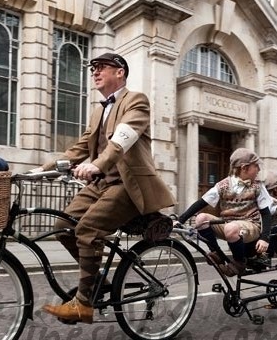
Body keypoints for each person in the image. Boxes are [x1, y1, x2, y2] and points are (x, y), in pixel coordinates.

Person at [32, 52, 175, 324]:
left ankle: (83, 303)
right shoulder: (99, 110)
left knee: (87, 230)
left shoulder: (136, 101)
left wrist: (97, 164)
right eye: (92, 69)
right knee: (63, 226)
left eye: (101, 67)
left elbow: (123, 139)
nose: (95, 72)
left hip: (128, 185)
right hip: (101, 184)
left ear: (119, 72)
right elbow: (80, 147)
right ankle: (99, 283)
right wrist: (43, 169)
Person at [176, 148, 272, 277]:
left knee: (231, 228)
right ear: (244, 168)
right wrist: (180, 220)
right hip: (228, 225)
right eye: (256, 166)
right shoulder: (222, 185)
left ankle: (239, 263)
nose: (259, 170)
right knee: (201, 219)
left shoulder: (258, 187)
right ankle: (217, 254)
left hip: (251, 225)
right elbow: (201, 203)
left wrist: (264, 238)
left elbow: (266, 214)